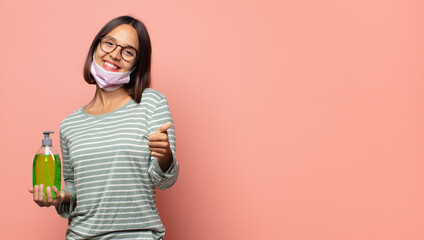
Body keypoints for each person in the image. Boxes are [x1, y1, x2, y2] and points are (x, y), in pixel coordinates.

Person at [28, 15, 179, 240]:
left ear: (137, 63)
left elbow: (165, 180)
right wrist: (61, 197)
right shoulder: (70, 125)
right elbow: (73, 186)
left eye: (128, 51)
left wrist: (165, 155)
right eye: (109, 43)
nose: (115, 54)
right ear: (96, 46)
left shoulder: (151, 103)